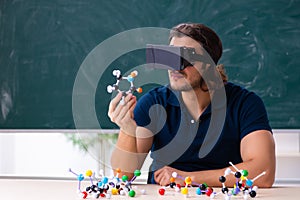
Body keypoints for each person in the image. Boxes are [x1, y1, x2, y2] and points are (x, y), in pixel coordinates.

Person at [108, 23, 275, 187]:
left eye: (185, 58)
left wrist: (187, 178)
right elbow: (123, 176)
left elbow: (263, 173)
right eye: (171, 56)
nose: (175, 67)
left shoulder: (245, 104)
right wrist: (128, 129)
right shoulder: (155, 103)